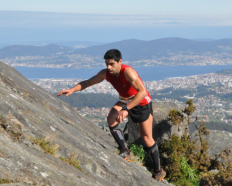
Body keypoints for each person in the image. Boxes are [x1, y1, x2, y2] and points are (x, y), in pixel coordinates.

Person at [57, 49, 166, 181]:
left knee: (147, 138)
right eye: (106, 64)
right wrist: (73, 89)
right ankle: (124, 150)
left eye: (112, 64)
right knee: (111, 119)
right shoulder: (106, 74)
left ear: (120, 61)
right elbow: (88, 82)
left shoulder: (128, 72)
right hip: (125, 100)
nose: (108, 67)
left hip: (141, 103)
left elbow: (142, 92)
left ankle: (158, 170)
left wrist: (126, 109)